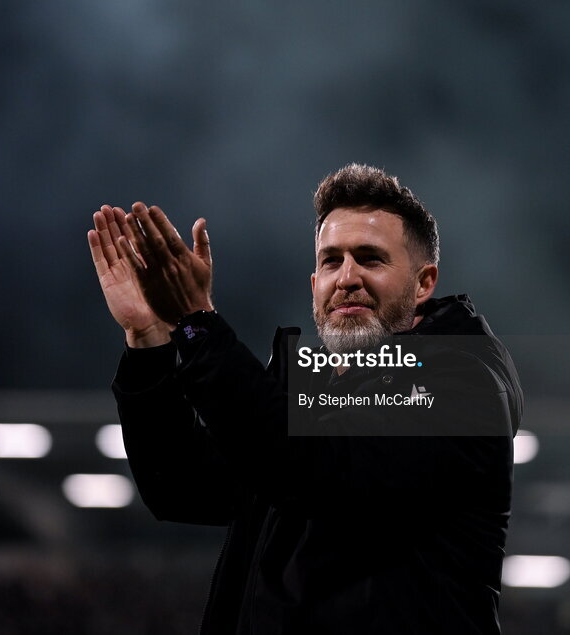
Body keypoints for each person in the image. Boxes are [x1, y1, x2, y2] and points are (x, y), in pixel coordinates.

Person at [87, 164, 523, 634]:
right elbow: (182, 486)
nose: (347, 277)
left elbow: (315, 468)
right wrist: (149, 339)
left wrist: (197, 323)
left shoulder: (462, 383)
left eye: (371, 258)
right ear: (314, 284)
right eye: (331, 260)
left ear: (423, 283)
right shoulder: (312, 391)